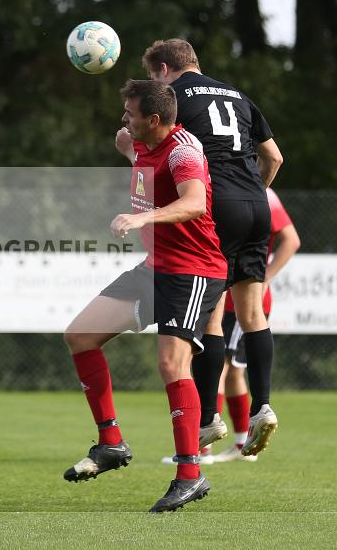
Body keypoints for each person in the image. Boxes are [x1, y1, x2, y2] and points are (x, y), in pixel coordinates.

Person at [63, 79, 227, 513]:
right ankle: (111, 442)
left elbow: (193, 202)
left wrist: (144, 219)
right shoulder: (144, 142)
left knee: (171, 364)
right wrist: (127, 147)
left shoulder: (182, 151)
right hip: (154, 269)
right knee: (80, 335)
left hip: (192, 271)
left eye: (130, 113)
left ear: (154, 120)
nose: (124, 119)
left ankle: (191, 475)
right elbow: (137, 152)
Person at [143, 39, 284, 456]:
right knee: (253, 311)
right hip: (257, 205)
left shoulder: (171, 97)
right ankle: (263, 407)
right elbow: (274, 158)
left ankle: (208, 419)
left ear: (164, 68)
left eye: (153, 77)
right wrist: (251, 195)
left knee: (211, 316)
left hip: (213, 202)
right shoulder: (236, 94)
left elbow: (154, 143)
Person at [214, 188, 300, 462]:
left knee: (221, 366)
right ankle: (242, 445)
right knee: (232, 371)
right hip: (225, 298)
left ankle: (200, 448)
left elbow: (291, 240)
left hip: (244, 301)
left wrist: (266, 279)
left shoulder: (262, 191)